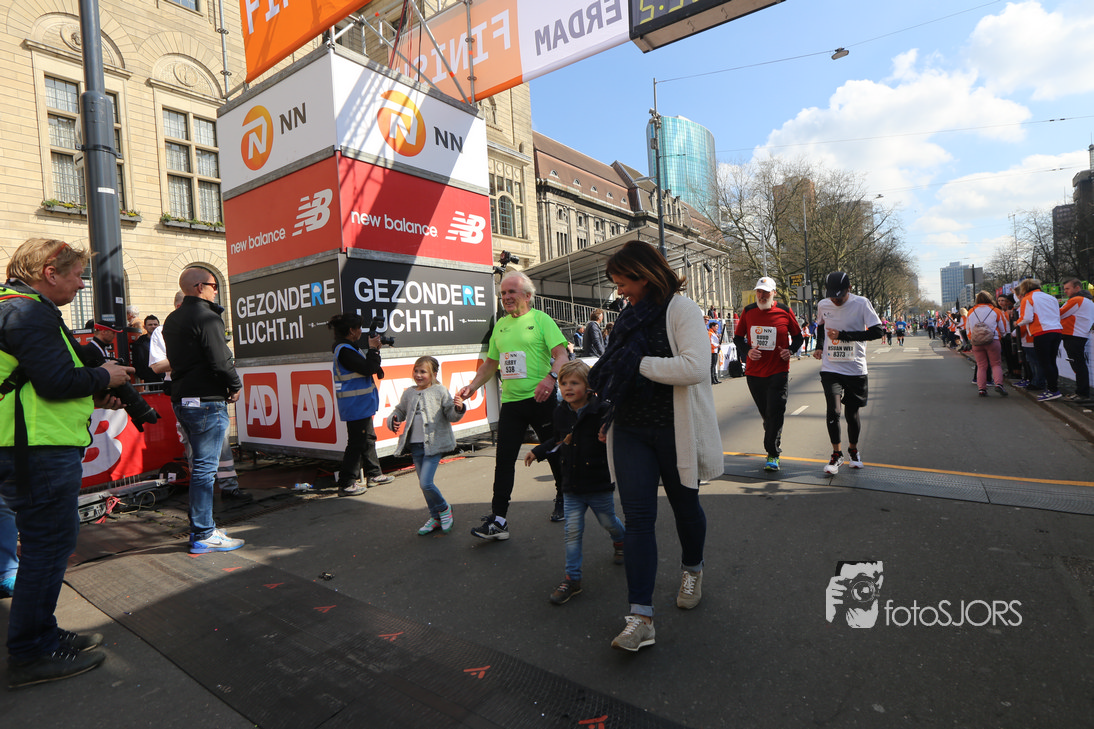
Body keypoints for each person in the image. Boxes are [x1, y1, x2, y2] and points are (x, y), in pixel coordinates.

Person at [1, 237, 133, 687]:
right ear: (49, 273)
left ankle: (42, 634)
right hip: (36, 449)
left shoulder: (15, 306)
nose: (81, 284)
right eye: (77, 275)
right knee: (48, 547)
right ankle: (31, 652)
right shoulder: (27, 311)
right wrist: (105, 375)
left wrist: (92, 391)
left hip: (28, 444)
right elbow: (56, 381)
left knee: (47, 545)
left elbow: (33, 381)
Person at [588, 240, 722, 652]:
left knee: (685, 507)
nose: (619, 291)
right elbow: (615, 371)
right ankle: (640, 617)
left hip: (674, 430)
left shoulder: (682, 310)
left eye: (622, 282)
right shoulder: (628, 317)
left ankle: (693, 569)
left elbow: (695, 367)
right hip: (630, 429)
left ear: (644, 276)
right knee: (639, 518)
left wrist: (638, 364)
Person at [458, 271, 568, 538]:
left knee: (553, 452)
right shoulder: (501, 325)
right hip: (512, 403)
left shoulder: (541, 320)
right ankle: (498, 520)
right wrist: (472, 386)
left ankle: (564, 497)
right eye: (503, 293)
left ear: (527, 296)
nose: (506, 297)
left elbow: (561, 355)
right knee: (504, 460)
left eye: (511, 292)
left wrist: (551, 378)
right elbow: (491, 364)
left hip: (541, 399)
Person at [524, 360, 624, 606]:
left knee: (608, 521)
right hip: (571, 484)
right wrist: (538, 451)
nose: (568, 388)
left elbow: (618, 433)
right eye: (563, 383)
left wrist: (609, 435)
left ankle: (621, 540)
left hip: (598, 482)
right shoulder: (560, 412)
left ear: (588, 387)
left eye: (574, 383)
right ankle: (572, 578)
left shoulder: (602, 411)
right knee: (572, 532)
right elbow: (558, 440)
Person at [162, 268, 246, 553]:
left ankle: (203, 526)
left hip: (184, 398)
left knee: (200, 466)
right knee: (205, 470)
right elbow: (220, 360)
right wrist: (235, 384)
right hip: (207, 400)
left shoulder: (173, 319)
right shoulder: (207, 317)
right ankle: (203, 533)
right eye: (213, 285)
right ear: (199, 287)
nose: (216, 290)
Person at [151, 291, 251, 503]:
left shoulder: (201, 321)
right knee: (195, 450)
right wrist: (193, 356)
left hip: (201, 393)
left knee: (222, 445)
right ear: (179, 306)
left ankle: (227, 488)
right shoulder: (164, 329)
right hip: (188, 394)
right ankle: (202, 503)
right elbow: (157, 366)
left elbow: (218, 356)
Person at [813, 271, 883, 475]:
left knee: (851, 414)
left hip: (855, 368)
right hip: (831, 367)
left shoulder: (861, 303)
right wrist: (819, 346)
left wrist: (843, 335)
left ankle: (853, 450)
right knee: (833, 411)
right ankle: (836, 454)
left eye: (840, 296)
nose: (835, 300)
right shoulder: (823, 304)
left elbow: (877, 331)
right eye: (832, 296)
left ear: (849, 289)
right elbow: (820, 326)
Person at [386, 356, 465, 535]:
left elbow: (451, 414)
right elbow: (400, 410)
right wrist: (394, 419)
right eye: (416, 371)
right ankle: (435, 517)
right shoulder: (409, 393)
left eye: (423, 372)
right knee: (424, 485)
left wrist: (458, 408)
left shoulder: (440, 391)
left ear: (434, 374)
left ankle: (444, 509)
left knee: (426, 483)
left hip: (434, 445)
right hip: (416, 446)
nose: (418, 375)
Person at [733, 276, 803, 472]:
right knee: (767, 414)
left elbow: (798, 337)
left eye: (765, 292)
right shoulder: (748, 311)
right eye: (759, 292)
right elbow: (737, 338)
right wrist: (747, 351)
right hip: (754, 373)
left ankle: (773, 453)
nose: (761, 296)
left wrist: (790, 350)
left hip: (778, 371)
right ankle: (771, 432)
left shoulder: (785, 311)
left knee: (775, 412)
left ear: (774, 293)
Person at [327, 313, 394, 497]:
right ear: (351, 330)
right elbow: (367, 368)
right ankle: (346, 483)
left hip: (360, 404)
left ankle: (374, 474)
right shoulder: (345, 350)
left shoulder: (349, 348)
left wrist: (374, 351)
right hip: (355, 405)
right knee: (356, 443)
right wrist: (373, 350)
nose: (360, 331)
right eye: (358, 328)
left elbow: (367, 368)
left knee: (368, 438)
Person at [1016, 278, 1064, 402]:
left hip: (1041, 331)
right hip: (1057, 330)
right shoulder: (1051, 298)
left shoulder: (1027, 298)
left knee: (1045, 363)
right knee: (1052, 362)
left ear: (1024, 288)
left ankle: (1052, 390)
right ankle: (1053, 388)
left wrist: (1017, 323)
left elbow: (1027, 318)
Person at [965, 291, 1008, 397]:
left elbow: (967, 328)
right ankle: (998, 384)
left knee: (981, 365)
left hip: (976, 342)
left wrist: (971, 338)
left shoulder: (971, 311)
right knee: (996, 364)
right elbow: (1003, 328)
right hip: (993, 340)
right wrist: (1001, 336)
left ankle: (981, 389)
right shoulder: (996, 310)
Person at [1059, 278, 1094, 402]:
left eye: (1067, 288)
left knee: (1078, 365)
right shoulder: (1087, 301)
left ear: (1077, 288)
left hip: (1073, 334)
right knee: (1079, 364)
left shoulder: (1076, 300)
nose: (1065, 291)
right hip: (1078, 334)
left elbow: (1060, 313)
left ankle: (1082, 393)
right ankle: (1081, 391)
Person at [131, 315, 163, 385]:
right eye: (150, 325)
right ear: (144, 327)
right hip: (149, 379)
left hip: (165, 376)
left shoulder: (165, 340)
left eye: (155, 324)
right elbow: (138, 361)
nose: (153, 326)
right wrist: (144, 375)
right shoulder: (139, 343)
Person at [708, 320, 722, 384]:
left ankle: (715, 378)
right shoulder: (710, 333)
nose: (717, 328)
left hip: (715, 350)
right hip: (712, 351)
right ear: (712, 326)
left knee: (714, 365)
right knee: (712, 365)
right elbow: (711, 343)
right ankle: (712, 379)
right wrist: (717, 346)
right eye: (716, 326)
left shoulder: (714, 333)